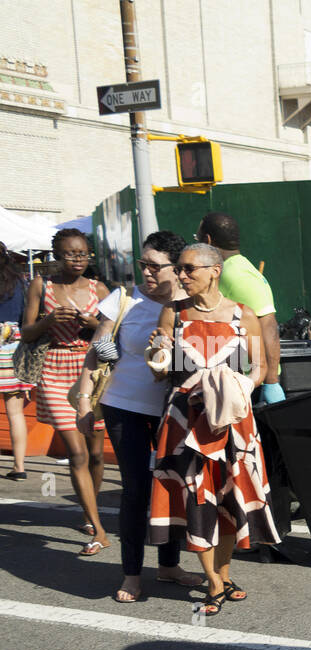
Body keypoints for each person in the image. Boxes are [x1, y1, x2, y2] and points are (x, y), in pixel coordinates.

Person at [147, 243, 279, 614]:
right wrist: (156, 356)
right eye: (179, 269)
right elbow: (158, 369)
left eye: (189, 268)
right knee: (197, 498)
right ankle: (215, 582)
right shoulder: (174, 314)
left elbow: (259, 366)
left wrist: (240, 388)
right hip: (185, 423)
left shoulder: (244, 316)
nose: (182, 275)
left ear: (214, 270)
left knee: (228, 499)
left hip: (233, 422)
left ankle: (222, 571)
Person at [75, 231, 205, 603]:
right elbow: (98, 351)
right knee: (136, 489)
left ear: (177, 269)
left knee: (172, 485)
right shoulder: (125, 299)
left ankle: (168, 565)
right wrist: (85, 401)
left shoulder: (187, 305)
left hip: (173, 410)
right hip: (124, 407)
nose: (146, 272)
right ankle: (131, 573)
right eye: (143, 264)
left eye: (154, 266)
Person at [20, 229, 112, 553]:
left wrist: (92, 324)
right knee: (78, 452)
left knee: (98, 453)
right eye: (70, 254)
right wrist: (48, 321)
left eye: (83, 254)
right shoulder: (40, 286)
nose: (77, 260)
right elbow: (26, 331)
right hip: (53, 369)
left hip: (90, 370)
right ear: (57, 255)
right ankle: (98, 531)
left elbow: (113, 332)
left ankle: (91, 510)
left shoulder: (98, 289)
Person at [197, 211, 285, 404]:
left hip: (251, 384)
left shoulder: (236, 275)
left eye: (197, 238)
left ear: (208, 240)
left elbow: (268, 327)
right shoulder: (231, 270)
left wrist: (271, 383)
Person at [0, 243, 31, 480]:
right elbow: (26, 316)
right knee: (15, 413)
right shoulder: (20, 283)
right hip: (14, 346)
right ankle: (19, 467)